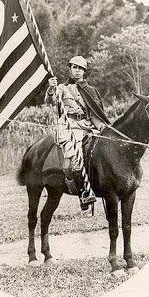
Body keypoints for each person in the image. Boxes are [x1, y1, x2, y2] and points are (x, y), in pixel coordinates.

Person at [45, 56, 110, 209]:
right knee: (75, 160)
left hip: (87, 125)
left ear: (84, 71)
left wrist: (102, 127)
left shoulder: (90, 90)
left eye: (80, 68)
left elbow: (94, 114)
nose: (77, 71)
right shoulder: (61, 88)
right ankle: (84, 193)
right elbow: (50, 101)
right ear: (70, 69)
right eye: (75, 67)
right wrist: (50, 88)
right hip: (70, 126)